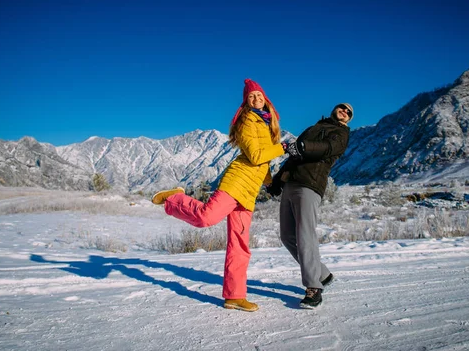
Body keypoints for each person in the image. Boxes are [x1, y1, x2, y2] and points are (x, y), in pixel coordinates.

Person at [151, 78, 285, 312]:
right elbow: (254, 156)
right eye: (251, 96)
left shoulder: (267, 126)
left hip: (250, 191)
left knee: (239, 245)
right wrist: (284, 148)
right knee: (206, 217)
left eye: (259, 96)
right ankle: (174, 198)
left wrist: (270, 183)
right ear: (246, 102)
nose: (256, 99)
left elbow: (263, 162)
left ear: (266, 101)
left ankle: (235, 296)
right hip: (237, 181)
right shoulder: (246, 120)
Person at [267, 103, 353, 309]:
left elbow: (327, 149)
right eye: (342, 108)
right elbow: (293, 159)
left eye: (349, 112)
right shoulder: (313, 128)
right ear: (334, 109)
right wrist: (278, 181)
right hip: (291, 183)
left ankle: (314, 288)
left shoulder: (341, 133)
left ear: (349, 119)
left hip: (310, 185)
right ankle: (322, 274)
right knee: (287, 236)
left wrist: (304, 147)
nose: (345, 111)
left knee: (305, 234)